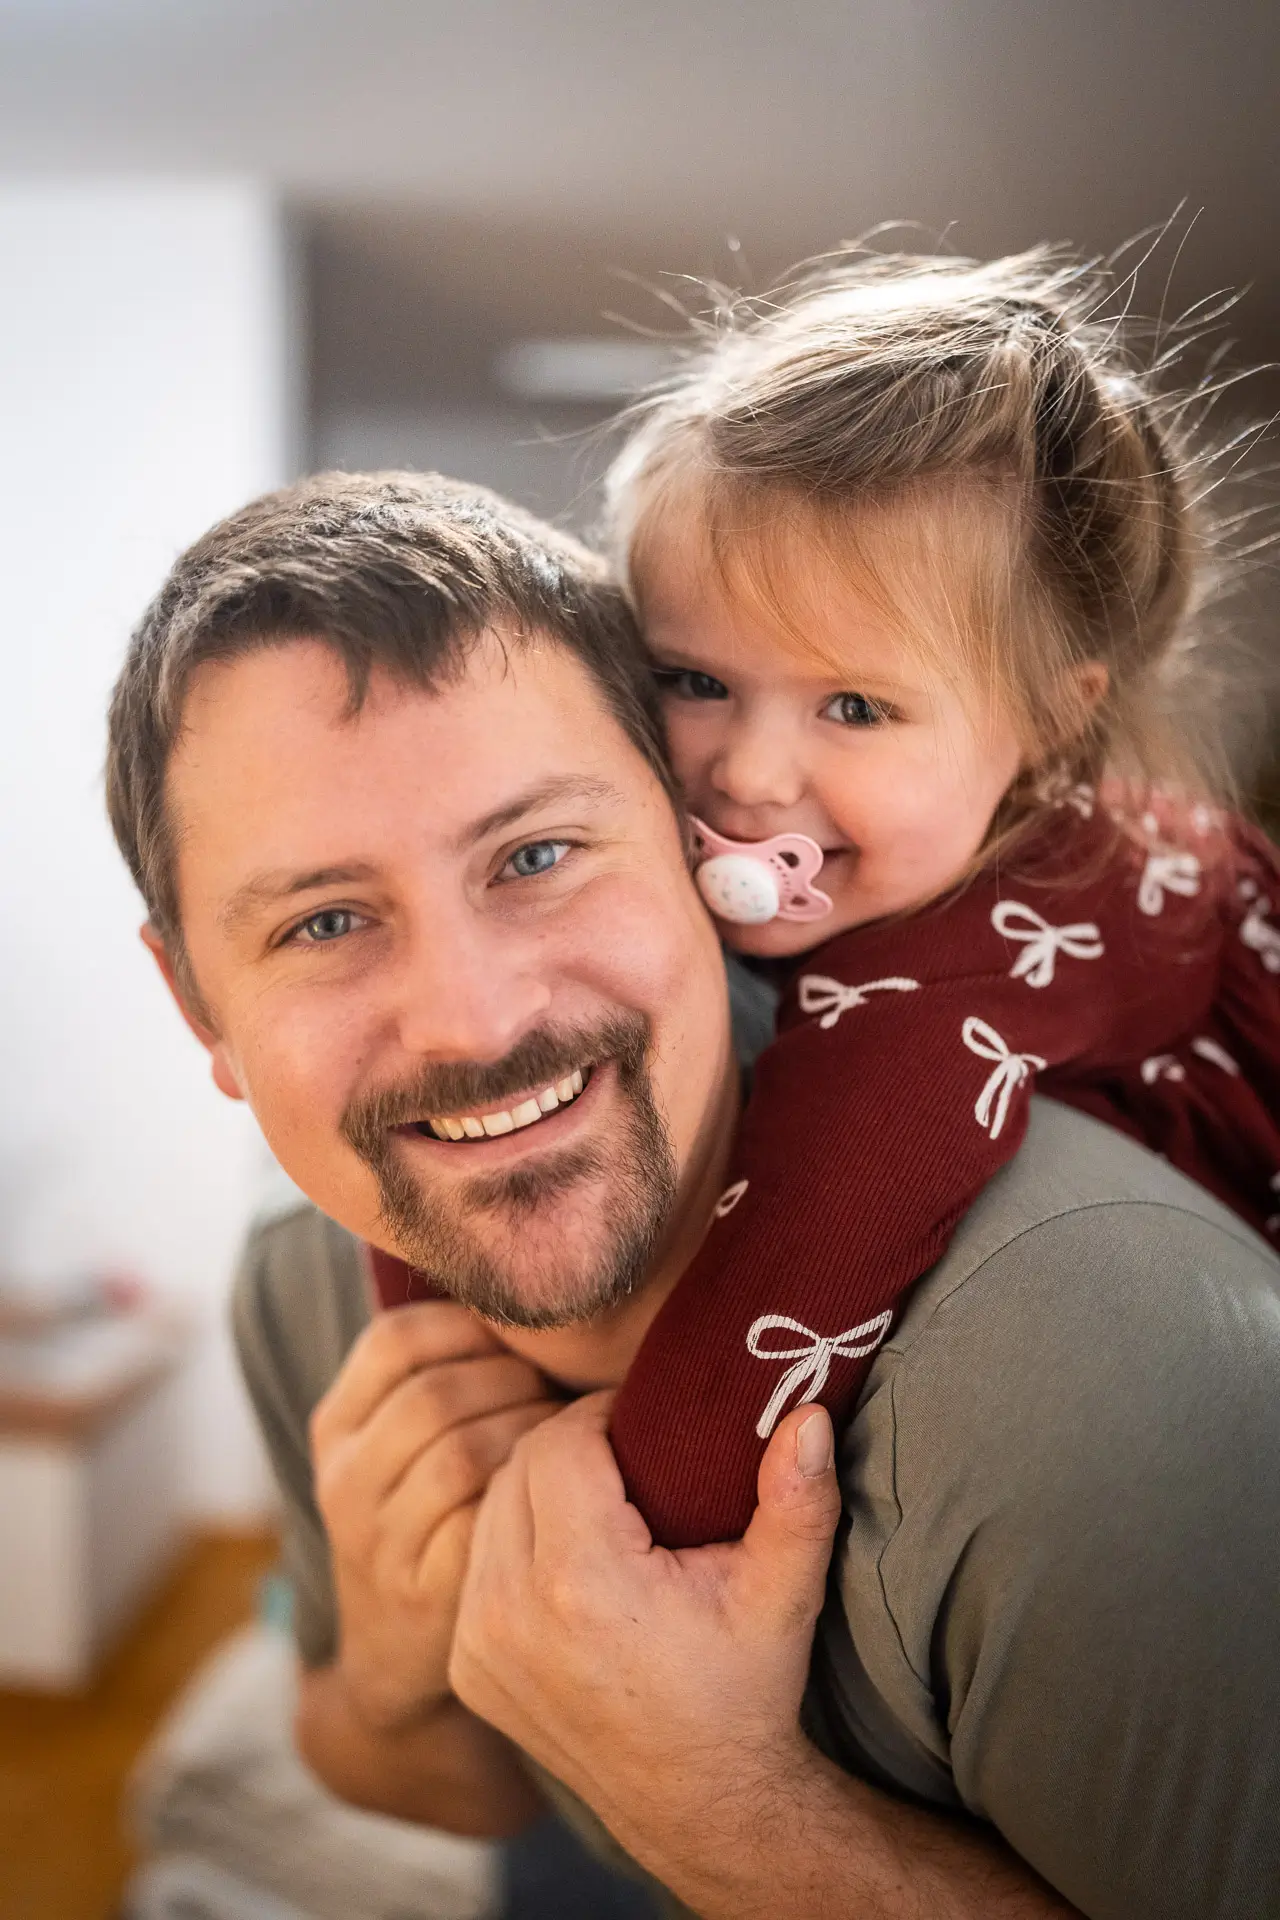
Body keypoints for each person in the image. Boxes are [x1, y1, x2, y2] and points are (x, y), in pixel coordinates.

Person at [104, 471, 1280, 1919]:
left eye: (536, 855)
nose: (470, 1021)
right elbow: (437, 1782)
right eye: (326, 921)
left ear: (697, 840)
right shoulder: (303, 1283)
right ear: (198, 1008)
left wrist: (728, 1811)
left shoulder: (1119, 1372)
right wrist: (399, 1673)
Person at [585, 247, 1280, 1545]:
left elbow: (751, 1354)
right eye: (693, 680)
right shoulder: (933, 845)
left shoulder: (945, 980)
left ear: (1048, 726)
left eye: (854, 706)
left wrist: (569, 1509)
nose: (748, 770)